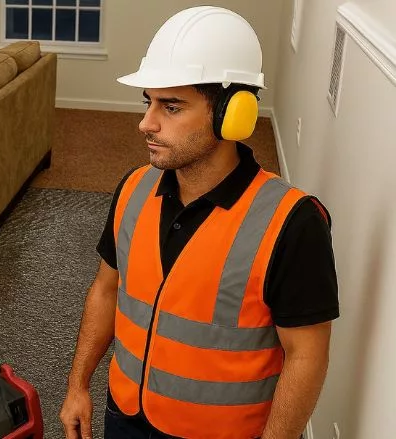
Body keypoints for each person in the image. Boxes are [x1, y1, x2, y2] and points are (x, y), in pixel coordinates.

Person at [59, 6, 339, 439]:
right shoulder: (133, 189)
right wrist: (78, 385)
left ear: (233, 115)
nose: (145, 124)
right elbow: (106, 288)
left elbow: (307, 355)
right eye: (148, 102)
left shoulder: (291, 222)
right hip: (125, 413)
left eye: (171, 107)